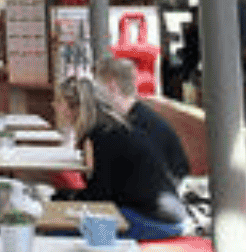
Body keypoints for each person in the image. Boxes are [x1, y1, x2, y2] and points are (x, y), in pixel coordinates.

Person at [51, 74, 189, 241]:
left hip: (154, 221)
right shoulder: (112, 127)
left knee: (55, 231)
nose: (55, 107)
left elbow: (100, 198)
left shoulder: (99, 137)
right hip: (166, 217)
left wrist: (62, 199)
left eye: (59, 102)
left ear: (74, 107)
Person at [96, 56, 188, 181]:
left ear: (112, 86)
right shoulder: (141, 118)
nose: (96, 95)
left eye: (98, 88)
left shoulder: (138, 126)